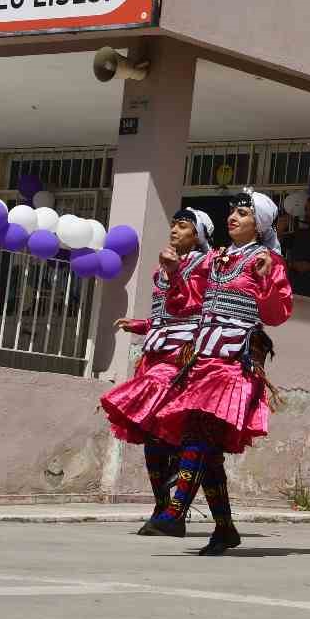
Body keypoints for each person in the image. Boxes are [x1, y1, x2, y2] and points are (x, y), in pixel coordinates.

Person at [133, 192, 292, 554]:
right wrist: (174, 274)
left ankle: (174, 512)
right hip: (203, 359)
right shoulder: (216, 258)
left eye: (243, 213)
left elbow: (277, 313)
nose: (232, 217)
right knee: (208, 448)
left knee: (199, 432)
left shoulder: (267, 260)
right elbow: (185, 304)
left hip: (235, 360)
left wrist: (267, 280)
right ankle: (224, 528)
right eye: (232, 212)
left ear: (261, 224)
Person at [102, 207, 214, 534]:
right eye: (174, 225)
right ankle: (163, 508)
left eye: (183, 226)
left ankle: (177, 498)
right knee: (153, 436)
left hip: (184, 355)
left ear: (198, 236)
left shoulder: (205, 265)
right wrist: (139, 325)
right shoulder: (160, 269)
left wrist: (177, 272)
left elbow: (193, 307)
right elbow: (165, 315)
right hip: (155, 353)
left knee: (169, 427)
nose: (174, 231)